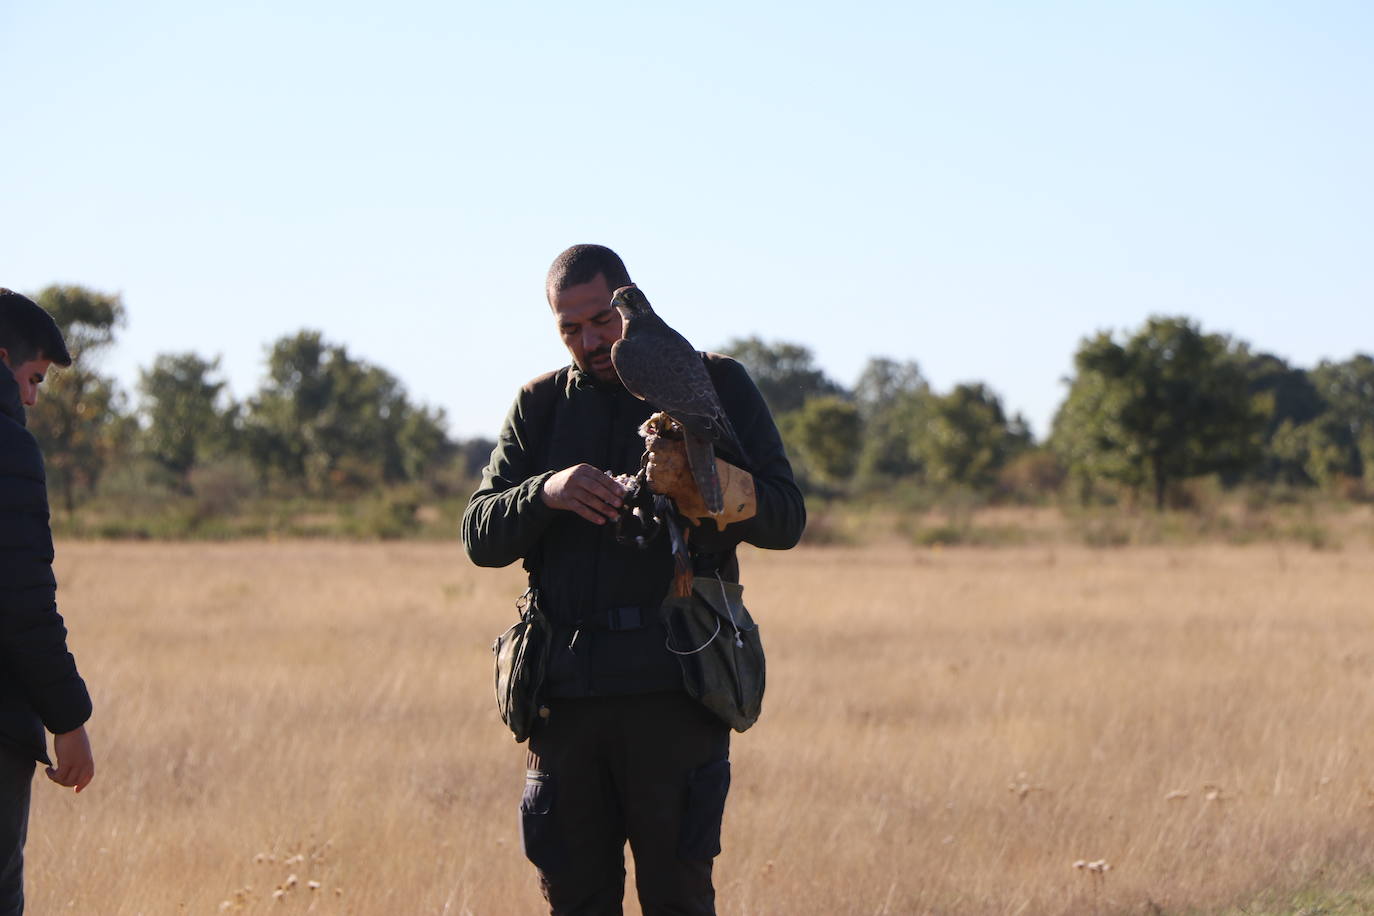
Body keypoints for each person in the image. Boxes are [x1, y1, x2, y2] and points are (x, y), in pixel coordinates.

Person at [463, 244, 805, 915]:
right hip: (565, 702)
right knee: (575, 901)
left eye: (600, 321)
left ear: (628, 300)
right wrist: (546, 492)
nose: (589, 341)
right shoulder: (540, 406)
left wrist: (710, 488)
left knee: (678, 899)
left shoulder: (714, 379)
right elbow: (479, 536)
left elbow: (787, 518)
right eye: (570, 329)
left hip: (674, 696)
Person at [0, 289, 96, 916]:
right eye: (32, 378)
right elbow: (22, 601)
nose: (32, 397)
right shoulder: (8, 449)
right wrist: (70, 720)